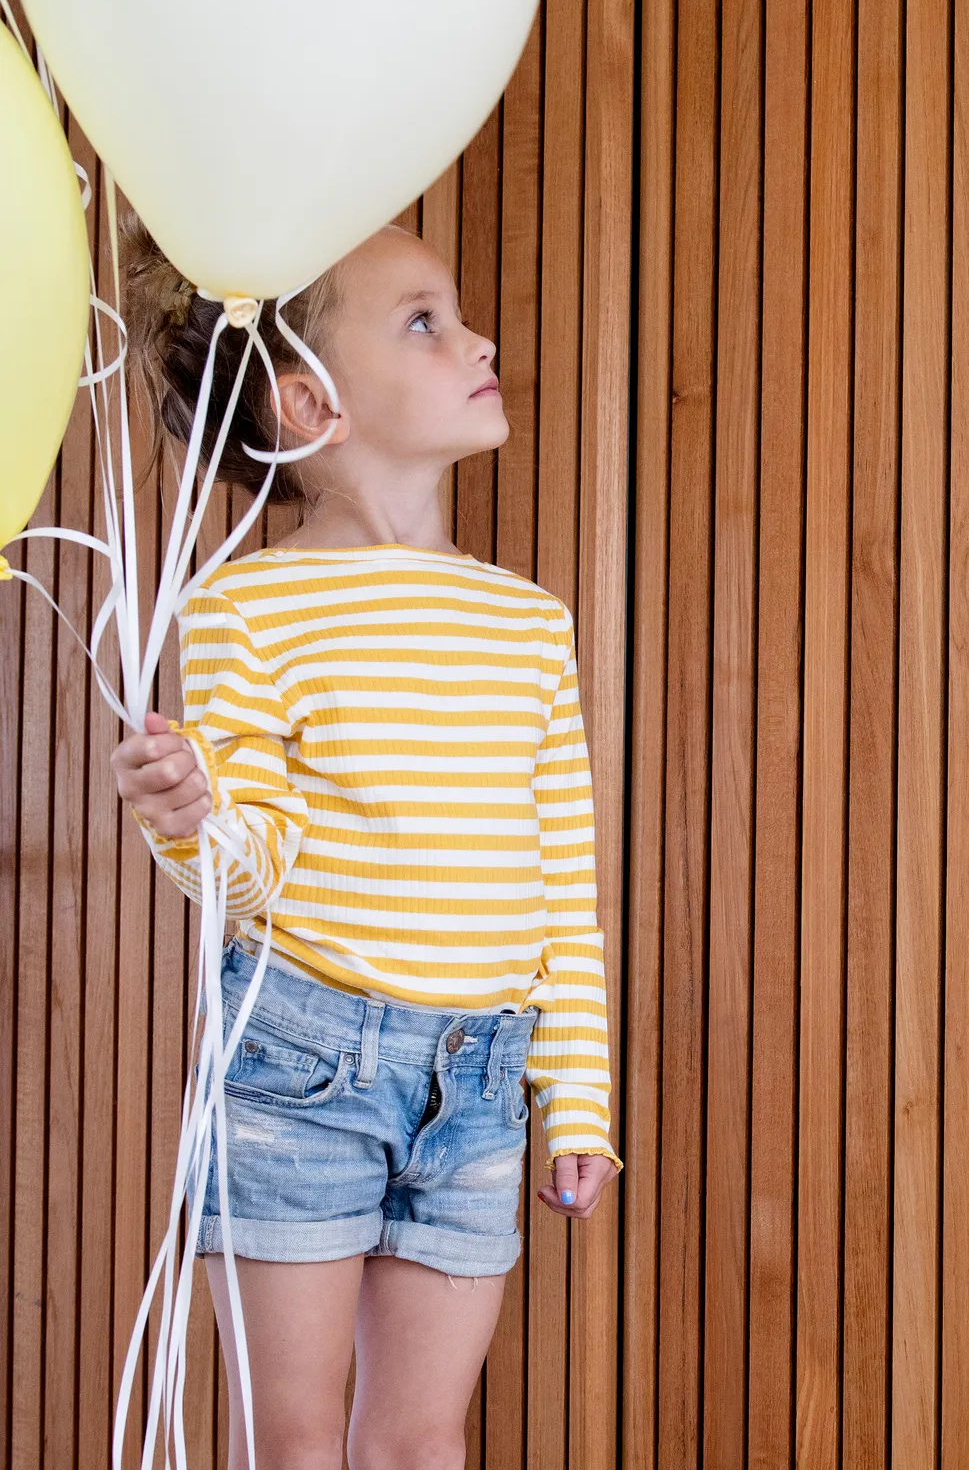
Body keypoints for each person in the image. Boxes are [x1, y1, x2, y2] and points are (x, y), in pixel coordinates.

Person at [112, 217, 619, 1470]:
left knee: (419, 1441)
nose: (477, 336)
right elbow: (254, 863)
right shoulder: (246, 606)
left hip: (482, 1087)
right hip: (301, 1066)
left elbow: (563, 883)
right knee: (294, 1446)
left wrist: (580, 1097)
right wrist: (191, 819)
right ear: (309, 401)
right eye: (423, 321)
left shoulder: (528, 623)